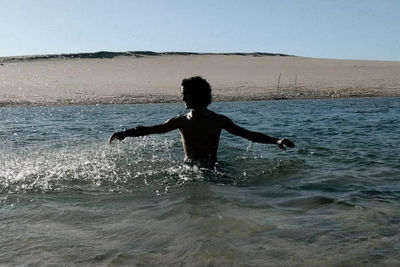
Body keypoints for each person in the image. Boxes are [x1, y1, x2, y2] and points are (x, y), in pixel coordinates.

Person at [109, 76, 295, 168]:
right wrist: (125, 133)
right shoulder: (180, 122)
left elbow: (247, 134)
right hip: (188, 169)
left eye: (185, 94)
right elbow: (150, 130)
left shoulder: (218, 120)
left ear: (198, 95)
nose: (182, 98)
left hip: (214, 168)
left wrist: (275, 141)